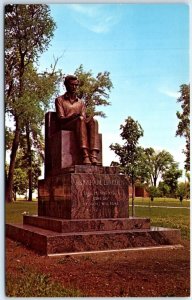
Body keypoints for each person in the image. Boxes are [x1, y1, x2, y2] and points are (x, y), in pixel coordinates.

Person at [55, 75, 100, 165]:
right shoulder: (60, 100)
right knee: (80, 119)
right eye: (72, 85)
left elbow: (83, 118)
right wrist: (73, 116)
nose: (74, 87)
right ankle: (85, 155)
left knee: (93, 121)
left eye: (76, 85)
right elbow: (61, 119)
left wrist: (89, 119)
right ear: (66, 85)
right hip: (66, 124)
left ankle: (93, 155)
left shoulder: (81, 102)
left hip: (79, 123)